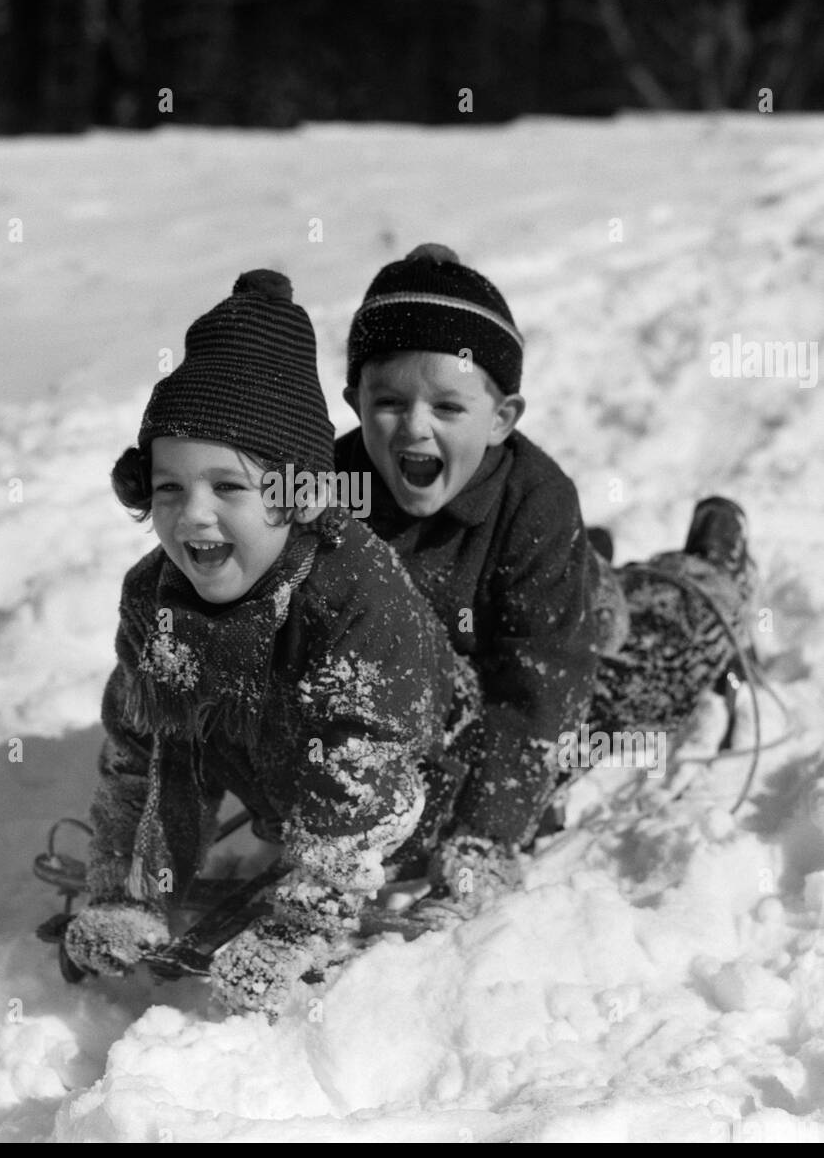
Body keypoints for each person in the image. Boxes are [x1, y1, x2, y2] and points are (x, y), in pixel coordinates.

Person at [62, 268, 480, 1019]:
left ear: (298, 495)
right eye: (167, 488)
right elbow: (145, 750)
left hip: (430, 778)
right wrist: (127, 893)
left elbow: (365, 775)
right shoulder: (153, 596)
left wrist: (300, 926)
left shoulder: (355, 595)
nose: (193, 518)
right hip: (286, 777)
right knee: (178, 722)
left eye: (229, 488)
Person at [336, 245, 756, 883]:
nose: (413, 428)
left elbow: (544, 690)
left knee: (656, 660)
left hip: (557, 646)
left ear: (502, 419)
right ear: (354, 401)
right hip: (452, 675)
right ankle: (595, 561)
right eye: (388, 403)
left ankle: (714, 558)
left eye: (448, 408)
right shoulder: (333, 487)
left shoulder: (538, 499)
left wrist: (487, 833)